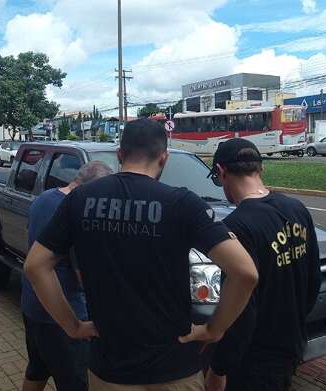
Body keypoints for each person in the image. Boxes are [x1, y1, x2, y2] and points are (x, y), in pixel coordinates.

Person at [25, 118, 259, 391]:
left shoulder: (79, 199)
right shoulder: (182, 203)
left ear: (120, 154)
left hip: (109, 371)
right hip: (174, 368)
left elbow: (35, 266)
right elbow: (245, 272)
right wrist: (214, 330)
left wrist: (72, 326)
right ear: (164, 158)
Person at [205, 138, 321, 391]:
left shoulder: (238, 227)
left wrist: (219, 368)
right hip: (291, 348)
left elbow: (241, 312)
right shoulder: (297, 209)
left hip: (252, 361)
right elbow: (313, 282)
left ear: (222, 173)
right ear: (260, 169)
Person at [21, 161, 114, 391]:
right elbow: (84, 275)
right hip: (65, 315)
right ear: (94, 190)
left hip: (33, 305)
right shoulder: (76, 212)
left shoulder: (44, 198)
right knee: (77, 382)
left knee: (37, 367)